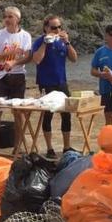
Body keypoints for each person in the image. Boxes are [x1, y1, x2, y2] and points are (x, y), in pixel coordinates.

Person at [31, 15, 77, 158]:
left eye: (59, 27)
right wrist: (45, 43)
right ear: (46, 28)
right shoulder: (39, 41)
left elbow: (74, 59)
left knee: (66, 114)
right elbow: (36, 60)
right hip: (46, 83)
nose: (57, 30)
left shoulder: (62, 42)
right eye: (53, 27)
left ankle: (66, 147)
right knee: (47, 115)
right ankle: (50, 148)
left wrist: (67, 42)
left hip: (61, 82)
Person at [0, 6, 33, 151]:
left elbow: (28, 56)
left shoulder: (25, 36)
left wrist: (14, 62)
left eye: (10, 17)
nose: (7, 19)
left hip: (18, 77)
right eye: (5, 16)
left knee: (18, 112)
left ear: (17, 19)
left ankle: (17, 146)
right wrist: (10, 54)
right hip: (0, 77)